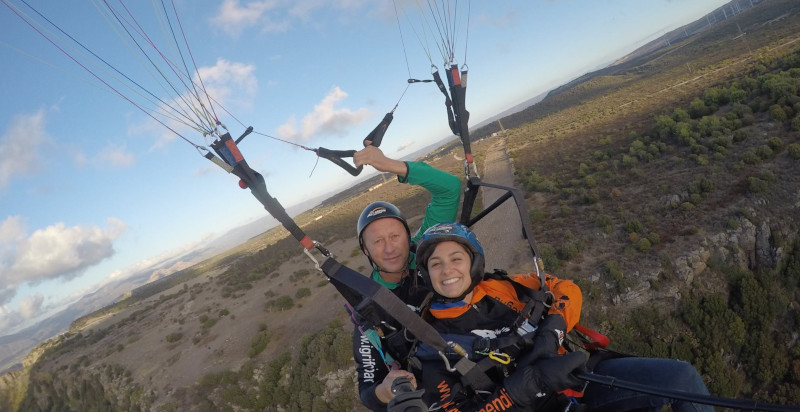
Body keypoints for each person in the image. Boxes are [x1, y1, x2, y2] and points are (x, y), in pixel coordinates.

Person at [409, 222, 715, 412]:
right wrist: (522, 387)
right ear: (426, 274)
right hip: (539, 405)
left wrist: (554, 327)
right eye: (436, 264)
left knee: (681, 378)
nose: (447, 270)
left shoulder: (503, 285)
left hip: (582, 378)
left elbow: (564, 287)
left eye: (456, 258)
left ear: (474, 263)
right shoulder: (435, 340)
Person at [350, 144, 462, 411]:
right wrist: (384, 391)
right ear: (365, 249)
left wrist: (389, 164)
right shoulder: (369, 307)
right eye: (377, 241)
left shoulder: (424, 246)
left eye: (395, 236)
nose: (389, 248)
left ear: (407, 234)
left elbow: (450, 188)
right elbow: (367, 390)